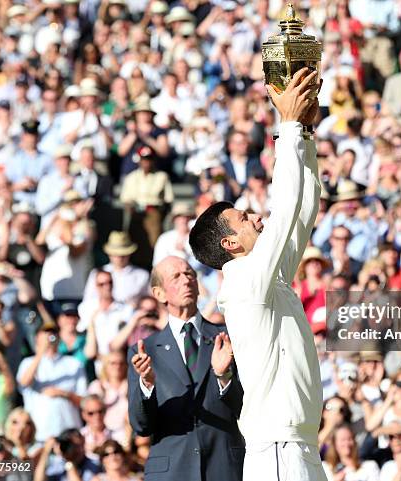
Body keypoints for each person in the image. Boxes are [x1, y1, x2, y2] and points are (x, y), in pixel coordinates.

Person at [189, 68, 325, 480]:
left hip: (297, 441)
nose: (255, 217)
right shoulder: (245, 281)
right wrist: (285, 128)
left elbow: (302, 213)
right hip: (278, 447)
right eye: (243, 218)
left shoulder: (266, 275)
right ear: (230, 244)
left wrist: (305, 133)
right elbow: (283, 212)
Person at [127, 256, 245, 481]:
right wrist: (147, 384)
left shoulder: (226, 338)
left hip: (223, 467)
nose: (186, 280)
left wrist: (224, 375)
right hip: (172, 470)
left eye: (189, 274)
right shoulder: (144, 351)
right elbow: (140, 425)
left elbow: (244, 408)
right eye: (176, 276)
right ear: (159, 293)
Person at [17, 322, 87, 442]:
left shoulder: (74, 364)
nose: (50, 336)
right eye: (45, 333)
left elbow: (84, 401)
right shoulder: (28, 363)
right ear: (37, 338)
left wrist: (63, 394)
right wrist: (40, 352)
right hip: (40, 435)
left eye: (53, 333)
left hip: (69, 433)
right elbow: (24, 382)